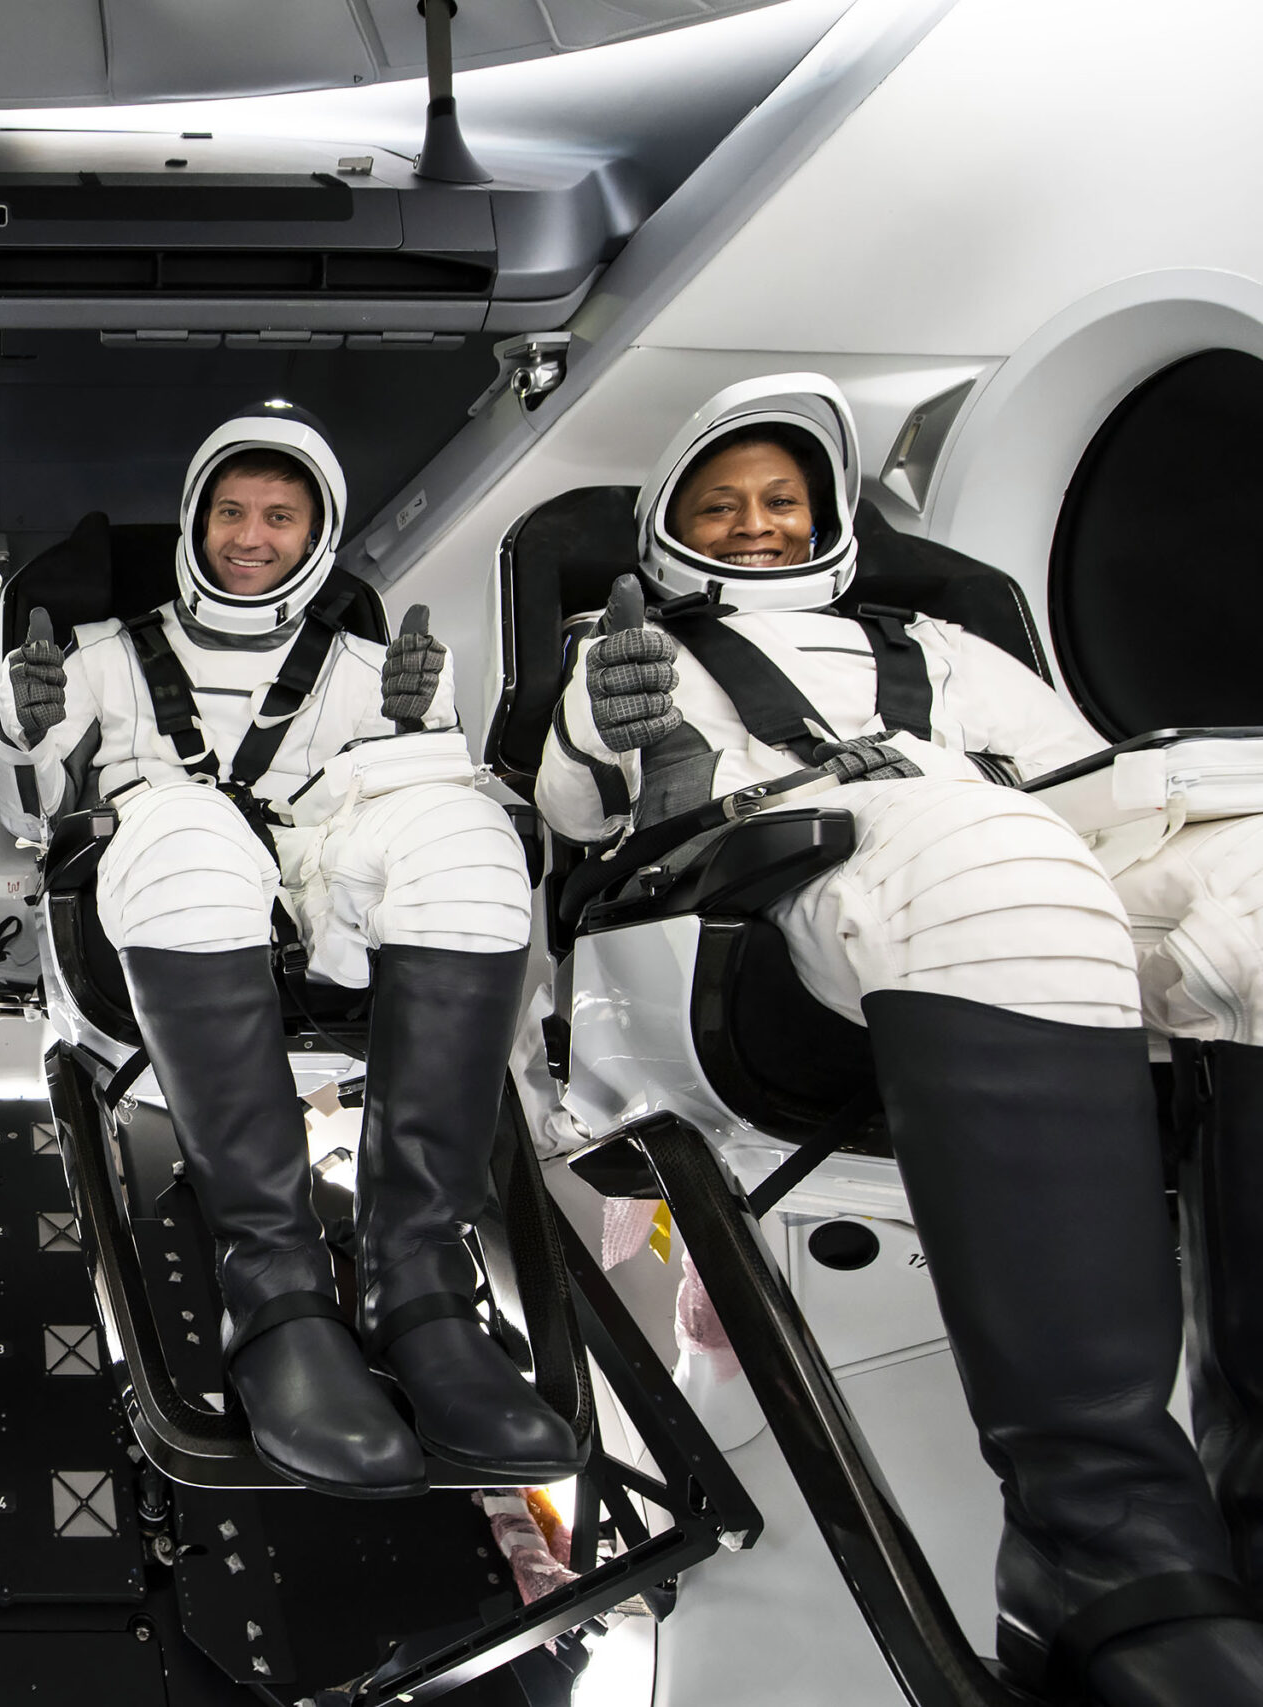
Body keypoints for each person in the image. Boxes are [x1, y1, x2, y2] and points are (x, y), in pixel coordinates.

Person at [537, 373, 1263, 1706]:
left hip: (991, 870)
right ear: (668, 521)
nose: (756, 522)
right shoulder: (631, 642)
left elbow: (1089, 783)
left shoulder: (948, 648)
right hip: (746, 931)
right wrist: (616, 737)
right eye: (722, 502)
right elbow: (576, 794)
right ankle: (1098, 1552)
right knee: (986, 853)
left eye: (782, 498)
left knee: (1253, 890)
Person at [0, 401, 576, 1500]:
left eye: (280, 517)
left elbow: (410, 807)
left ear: (318, 537)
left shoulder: (371, 666)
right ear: (195, 522)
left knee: (470, 837)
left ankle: (421, 1288)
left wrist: (424, 742)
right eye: (230, 512)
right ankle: (275, 1290)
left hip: (326, 897)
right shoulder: (99, 658)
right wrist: (34, 733)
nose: (250, 537)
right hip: (172, 885)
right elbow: (36, 815)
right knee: (188, 824)